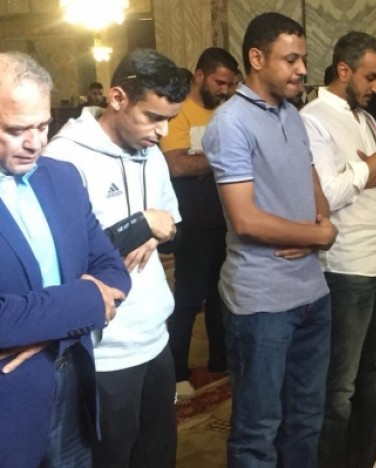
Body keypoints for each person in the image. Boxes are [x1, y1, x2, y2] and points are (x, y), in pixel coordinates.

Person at [203, 13, 338, 468]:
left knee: (306, 420)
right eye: (291, 59)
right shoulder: (231, 122)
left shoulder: (293, 115)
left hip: (312, 292)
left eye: (304, 59)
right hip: (261, 301)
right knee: (258, 431)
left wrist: (320, 230)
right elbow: (245, 220)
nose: (302, 70)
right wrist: (318, 234)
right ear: (257, 58)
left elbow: (313, 185)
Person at [45, 48, 188, 468]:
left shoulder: (151, 152)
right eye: (153, 117)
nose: (163, 132)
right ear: (118, 98)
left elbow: (173, 231)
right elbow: (69, 261)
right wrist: (142, 224)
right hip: (105, 353)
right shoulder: (64, 159)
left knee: (158, 457)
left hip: (155, 338)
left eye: (170, 120)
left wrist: (160, 230)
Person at [0, 51, 130, 468]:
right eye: (16, 130)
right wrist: (83, 303)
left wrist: (46, 329)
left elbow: (114, 270)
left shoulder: (63, 177)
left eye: (42, 126)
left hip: (74, 383)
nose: (35, 142)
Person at [301, 31, 376, 468]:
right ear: (343, 70)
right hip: (347, 267)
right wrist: (368, 170)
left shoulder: (369, 119)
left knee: (374, 374)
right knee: (339, 386)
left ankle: (363, 459)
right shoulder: (313, 119)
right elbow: (323, 195)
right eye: (370, 77)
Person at [160, 46, 239, 399]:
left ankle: (220, 359)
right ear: (199, 76)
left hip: (225, 217)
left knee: (221, 294)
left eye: (230, 84)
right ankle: (177, 369)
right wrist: (224, 157)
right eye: (220, 83)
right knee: (189, 297)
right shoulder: (179, 112)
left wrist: (205, 159)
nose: (225, 90)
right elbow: (177, 165)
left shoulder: (226, 111)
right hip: (191, 221)